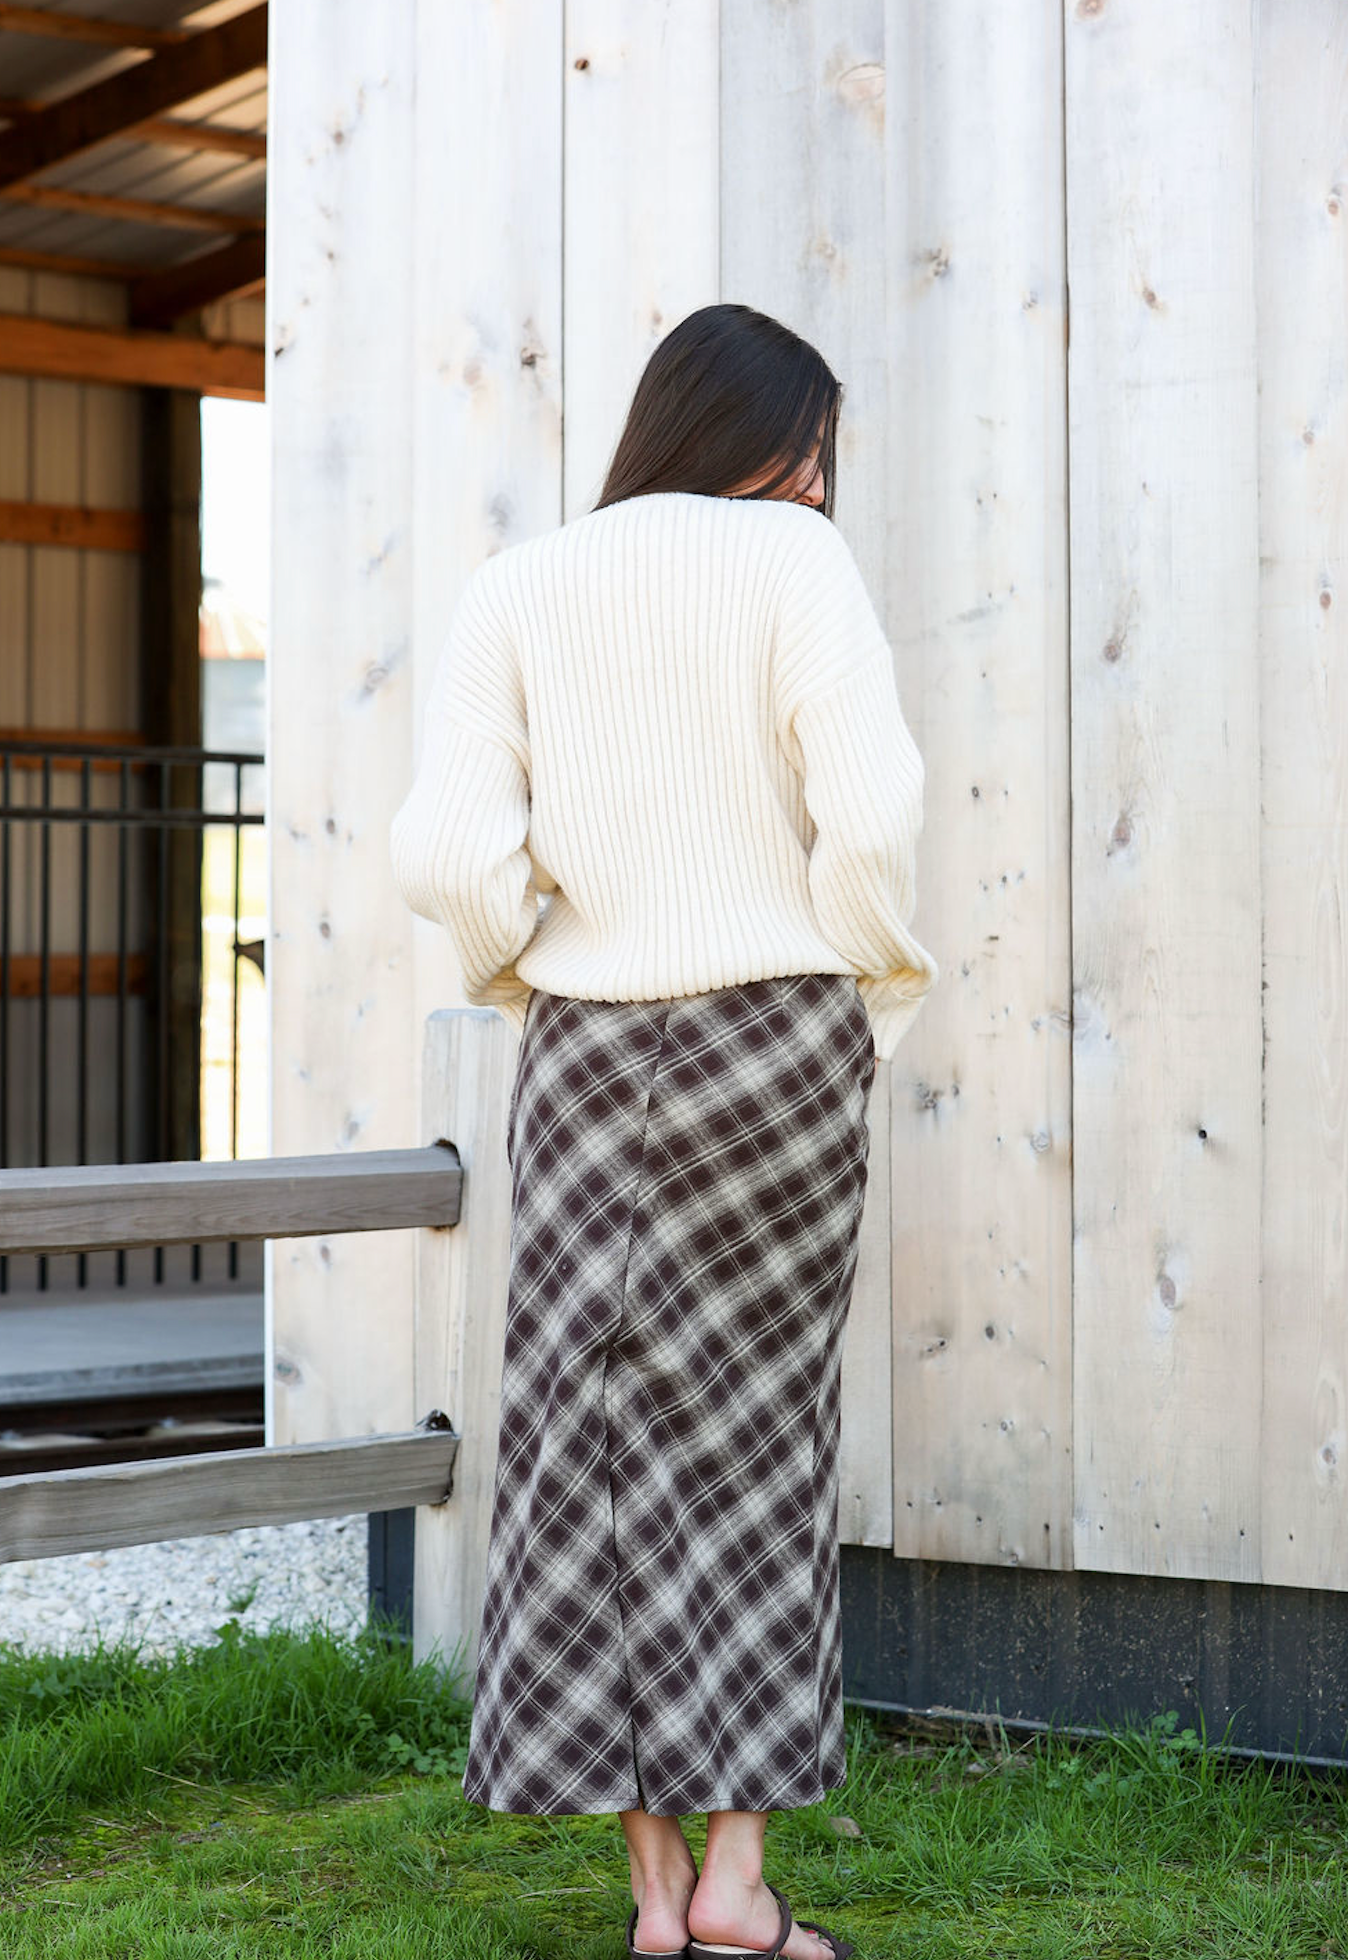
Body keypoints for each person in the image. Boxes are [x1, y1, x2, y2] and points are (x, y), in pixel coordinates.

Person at [390, 302, 938, 1960]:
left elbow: (450, 856)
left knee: (588, 1456)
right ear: (784, 441)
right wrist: (867, 986)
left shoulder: (518, 586)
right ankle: (738, 1881)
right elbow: (877, 813)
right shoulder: (796, 564)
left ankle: (650, 1904)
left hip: (584, 1049)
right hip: (777, 1042)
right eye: (819, 453)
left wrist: (530, 967)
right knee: (763, 1446)